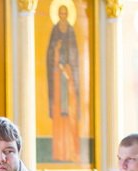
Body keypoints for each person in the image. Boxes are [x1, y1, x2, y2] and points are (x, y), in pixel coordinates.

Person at [46, 2, 80, 162]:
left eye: (65, 13)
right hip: (58, 77)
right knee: (60, 113)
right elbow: (51, 52)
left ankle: (71, 152)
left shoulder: (71, 31)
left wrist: (68, 67)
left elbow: (75, 55)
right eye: (61, 13)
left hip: (69, 76)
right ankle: (59, 153)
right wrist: (58, 58)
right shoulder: (55, 30)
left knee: (70, 112)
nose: (63, 16)